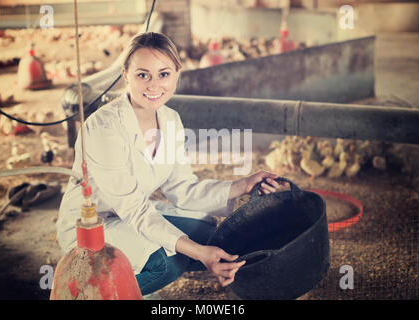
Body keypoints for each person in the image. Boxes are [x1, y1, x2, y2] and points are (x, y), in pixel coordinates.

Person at [56, 32, 284, 297]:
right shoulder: (104, 128)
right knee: (167, 264)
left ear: (177, 73)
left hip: (129, 216)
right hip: (90, 227)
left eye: (163, 74)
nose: (154, 85)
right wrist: (200, 254)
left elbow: (183, 189)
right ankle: (89, 293)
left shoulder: (170, 120)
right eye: (143, 75)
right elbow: (135, 210)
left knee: (211, 234)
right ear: (125, 74)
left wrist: (242, 185)